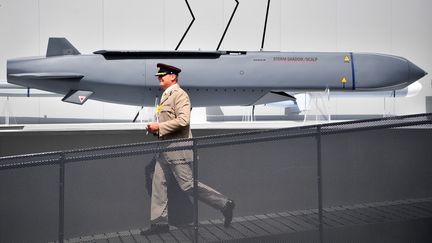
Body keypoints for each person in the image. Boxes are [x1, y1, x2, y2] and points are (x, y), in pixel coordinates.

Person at [141, 63, 235, 235]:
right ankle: (159, 224)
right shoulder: (165, 95)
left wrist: (159, 127)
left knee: (188, 185)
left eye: (162, 75)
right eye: (158, 75)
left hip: (178, 150)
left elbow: (183, 121)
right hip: (163, 150)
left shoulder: (180, 95)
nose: (159, 77)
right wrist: (155, 129)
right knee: (158, 184)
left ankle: (225, 203)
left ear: (173, 77)